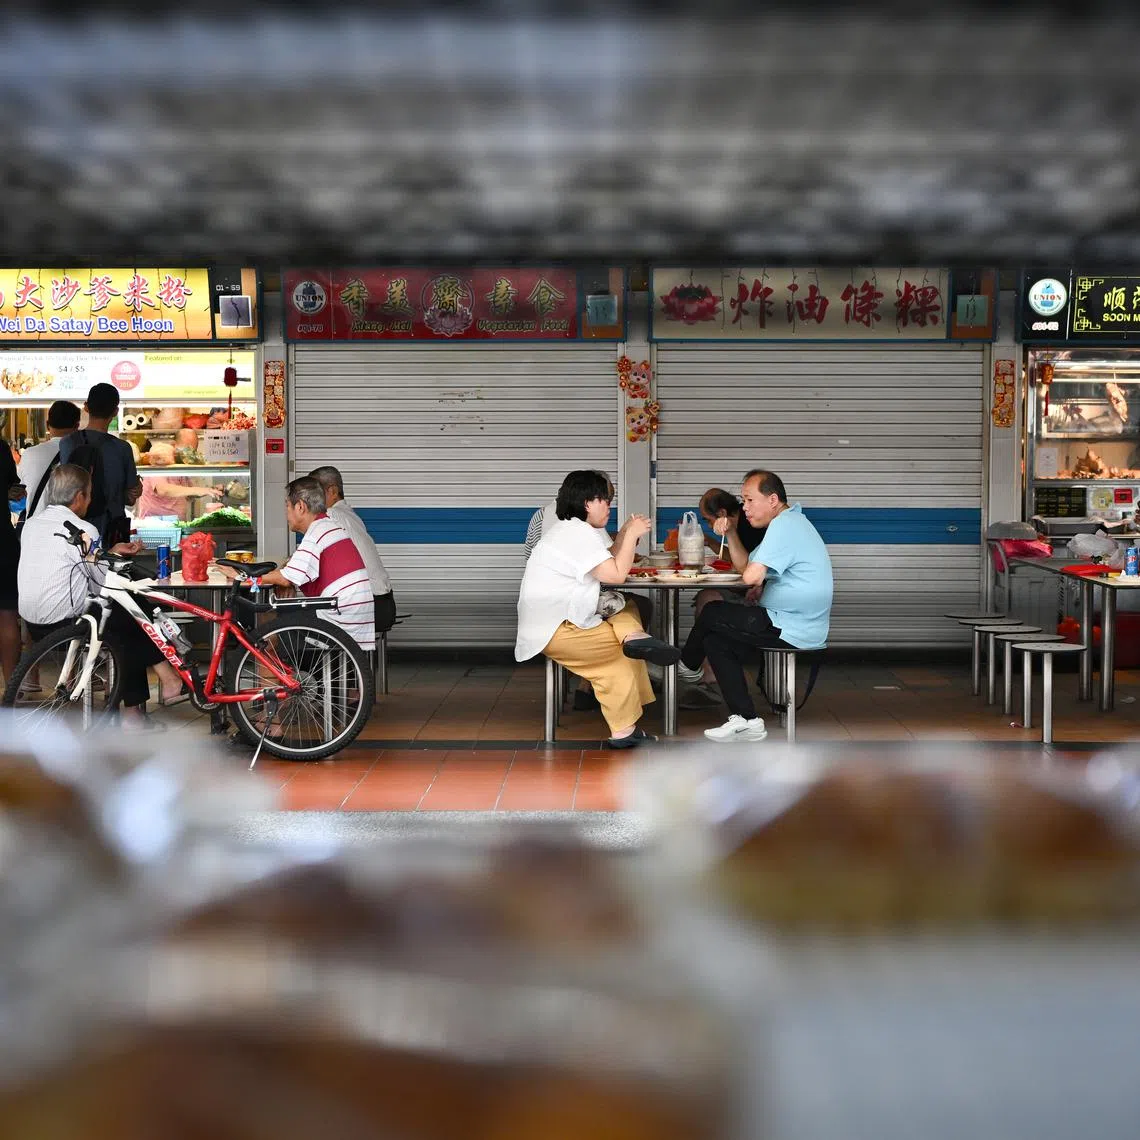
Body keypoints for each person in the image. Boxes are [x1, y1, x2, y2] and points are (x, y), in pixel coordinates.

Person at [515, 469, 680, 749]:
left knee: (624, 608)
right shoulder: (575, 534)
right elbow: (614, 574)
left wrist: (626, 532)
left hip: (564, 620)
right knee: (621, 650)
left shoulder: (577, 530)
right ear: (587, 502)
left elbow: (608, 561)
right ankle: (624, 727)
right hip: (556, 629)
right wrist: (630, 538)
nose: (609, 505)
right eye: (605, 500)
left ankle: (634, 642)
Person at [17, 464, 183, 730]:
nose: (91, 499)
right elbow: (100, 585)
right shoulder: (82, 529)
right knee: (131, 612)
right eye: (90, 493)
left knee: (126, 615)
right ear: (80, 497)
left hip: (33, 624)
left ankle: (158, 686)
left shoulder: (32, 525)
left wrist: (111, 552)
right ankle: (156, 688)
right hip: (66, 623)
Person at [677, 469, 833, 743]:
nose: (744, 508)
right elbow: (745, 565)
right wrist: (732, 532)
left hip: (791, 625)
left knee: (713, 611)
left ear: (772, 500)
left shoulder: (786, 525)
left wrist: (754, 580)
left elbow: (750, 577)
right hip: (786, 620)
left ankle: (686, 667)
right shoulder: (786, 523)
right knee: (715, 641)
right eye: (743, 501)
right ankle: (747, 720)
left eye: (749, 500)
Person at [218, 477, 375, 651]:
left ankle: (271, 676)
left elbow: (285, 579)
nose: (285, 513)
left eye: (287, 506)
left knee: (267, 628)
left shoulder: (317, 532)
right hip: (349, 615)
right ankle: (279, 674)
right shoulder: (327, 526)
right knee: (276, 612)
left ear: (300, 507)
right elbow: (292, 574)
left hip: (338, 619)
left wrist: (241, 576)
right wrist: (285, 578)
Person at [680, 486, 772, 706]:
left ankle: (688, 666)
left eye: (707, 519)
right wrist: (712, 542)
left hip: (759, 600)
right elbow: (741, 561)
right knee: (707, 597)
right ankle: (700, 670)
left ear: (721, 514)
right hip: (745, 590)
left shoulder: (754, 525)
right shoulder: (739, 524)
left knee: (710, 604)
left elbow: (749, 568)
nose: (747, 509)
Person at [307, 465, 396, 636]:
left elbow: (311, 564)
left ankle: (284, 663)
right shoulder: (350, 515)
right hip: (382, 603)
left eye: (314, 494)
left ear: (332, 491)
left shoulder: (332, 515)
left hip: (367, 607)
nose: (309, 500)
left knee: (286, 618)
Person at [59, 382, 142, 544]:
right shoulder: (123, 448)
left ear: (86, 407)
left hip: (75, 530)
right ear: (115, 411)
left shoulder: (67, 443)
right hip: (112, 533)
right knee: (111, 568)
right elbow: (131, 498)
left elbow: (64, 488)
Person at [136, 429, 222, 520]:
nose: (189, 455)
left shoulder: (181, 465)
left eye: (193, 452)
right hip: (155, 524)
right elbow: (162, 489)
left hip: (176, 524)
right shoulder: (161, 459)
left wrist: (210, 490)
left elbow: (188, 493)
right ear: (174, 445)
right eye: (186, 450)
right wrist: (198, 490)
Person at [17, 400, 80, 521]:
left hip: (35, 528)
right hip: (69, 531)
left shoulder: (29, 454)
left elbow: (22, 490)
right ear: (77, 426)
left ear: (47, 425)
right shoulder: (80, 455)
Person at [0, 439, 21, 684]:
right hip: (2, 540)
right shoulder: (0, 447)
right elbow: (14, 488)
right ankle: (11, 687)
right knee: (7, 615)